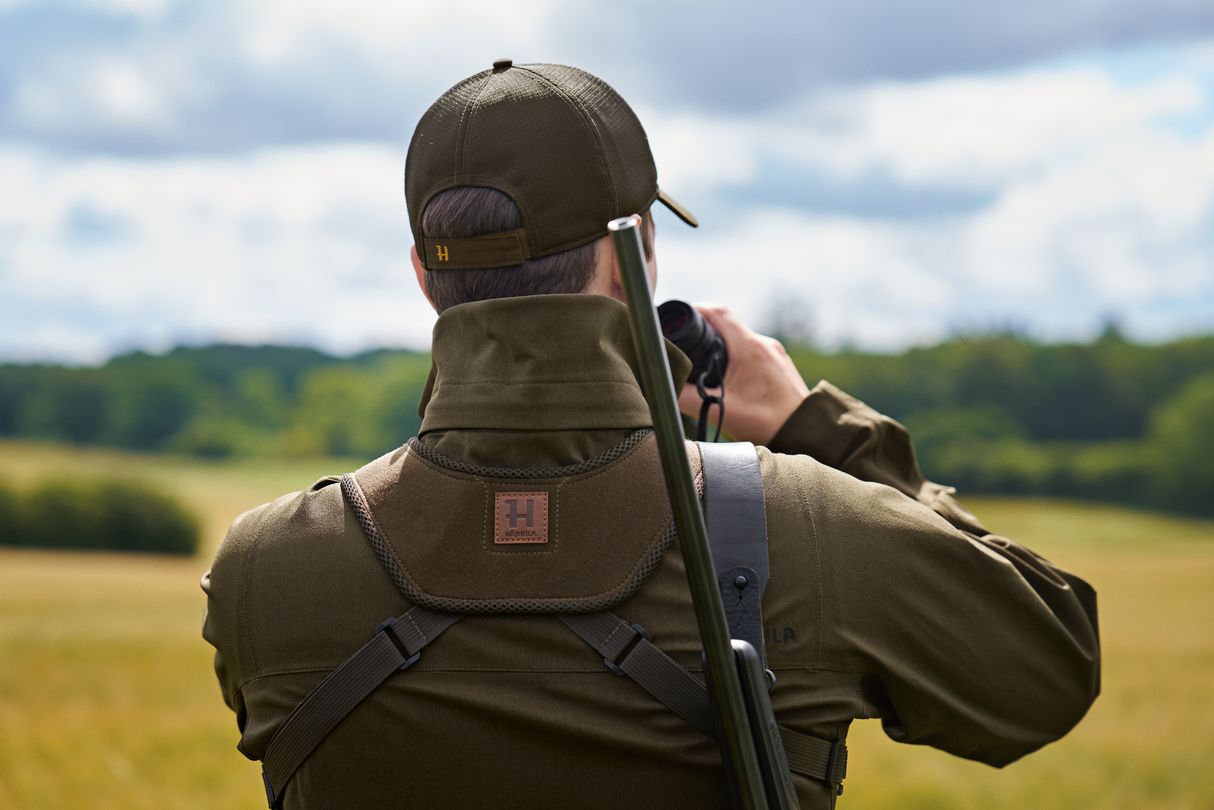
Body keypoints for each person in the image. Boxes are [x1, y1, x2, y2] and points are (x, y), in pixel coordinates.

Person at [202, 60, 1100, 810]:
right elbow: (1047, 670)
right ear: (634, 253)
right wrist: (815, 430)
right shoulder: (805, 530)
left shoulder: (263, 570)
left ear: (422, 275)